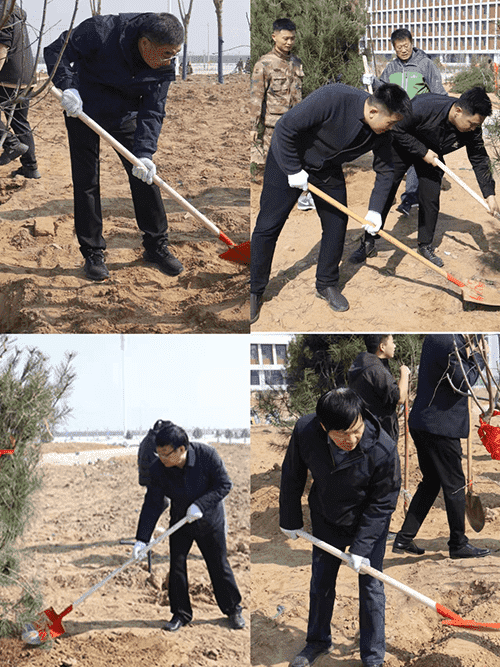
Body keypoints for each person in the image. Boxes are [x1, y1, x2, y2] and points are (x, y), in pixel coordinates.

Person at [250, 82, 412, 323]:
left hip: (326, 168)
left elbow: (387, 169)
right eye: (390, 122)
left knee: (336, 223)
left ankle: (326, 283)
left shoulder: (382, 131)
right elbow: (284, 128)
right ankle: (254, 289)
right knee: (268, 225)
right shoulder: (333, 97)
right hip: (288, 157)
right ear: (374, 112)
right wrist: (294, 170)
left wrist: (376, 211)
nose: (392, 128)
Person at [44, 13, 185, 282]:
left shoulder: (164, 66)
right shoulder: (100, 30)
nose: (171, 60)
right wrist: (67, 87)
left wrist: (145, 152)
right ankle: (93, 252)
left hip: (125, 114)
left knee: (144, 175)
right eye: (167, 53)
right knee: (86, 180)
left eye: (175, 54)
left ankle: (156, 246)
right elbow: (56, 51)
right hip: (82, 108)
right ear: (145, 44)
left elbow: (153, 110)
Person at [280, 388, 401, 667]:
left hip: (367, 523)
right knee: (321, 582)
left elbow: (383, 503)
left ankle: (372, 656)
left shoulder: (383, 448)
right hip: (326, 517)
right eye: (341, 435)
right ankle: (318, 641)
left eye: (356, 430)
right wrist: (290, 519)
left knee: (371, 586)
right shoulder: (305, 432)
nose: (352, 439)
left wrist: (361, 547)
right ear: (324, 427)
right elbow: (292, 474)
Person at [350, 86, 499, 268]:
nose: (474, 129)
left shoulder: (472, 129)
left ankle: (425, 245)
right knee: (386, 191)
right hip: (402, 147)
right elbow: (396, 128)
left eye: (477, 125)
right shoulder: (423, 106)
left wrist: (489, 195)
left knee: (430, 196)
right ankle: (368, 242)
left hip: (433, 156)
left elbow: (479, 158)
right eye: (471, 124)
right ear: (458, 111)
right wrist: (421, 151)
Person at [133, 422, 245, 631]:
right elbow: (153, 502)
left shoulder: (207, 455)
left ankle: (233, 609)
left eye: (166, 454)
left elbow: (224, 484)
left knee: (218, 565)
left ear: (181, 449)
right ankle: (180, 614)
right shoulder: (159, 469)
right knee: (177, 566)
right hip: (180, 521)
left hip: (210, 520)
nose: (162, 459)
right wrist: (142, 539)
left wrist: (201, 504)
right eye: (159, 454)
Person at [392, 334, 491, 560]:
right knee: (455, 484)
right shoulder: (450, 342)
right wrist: (478, 356)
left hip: (424, 422)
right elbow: (463, 382)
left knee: (431, 483)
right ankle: (458, 543)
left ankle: (404, 538)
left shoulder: (437, 337)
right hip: (439, 426)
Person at [361, 28, 446, 221]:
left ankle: (408, 199)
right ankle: (387, 198)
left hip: (419, 123)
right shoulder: (391, 68)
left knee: (418, 156)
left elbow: (439, 93)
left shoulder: (425, 65)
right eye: (399, 48)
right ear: (394, 48)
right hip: (397, 124)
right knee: (395, 161)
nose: (403, 50)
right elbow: (382, 91)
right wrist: (372, 81)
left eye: (406, 46)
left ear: (412, 43)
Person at [250, 18, 314, 211]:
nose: (289, 42)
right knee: (274, 166)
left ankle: (302, 198)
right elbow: (256, 98)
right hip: (274, 125)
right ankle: (270, 204)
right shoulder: (264, 64)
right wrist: (254, 127)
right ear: (274, 37)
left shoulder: (296, 62)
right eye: (285, 38)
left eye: (292, 38)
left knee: (300, 161)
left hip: (297, 124)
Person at [0, 3, 40, 178]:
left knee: (18, 124)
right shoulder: (14, 9)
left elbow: (2, 46)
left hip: (9, 77)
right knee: (20, 122)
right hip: (26, 76)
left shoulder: (2, 10)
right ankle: (31, 168)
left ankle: (10, 143)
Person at [348, 334, 410, 443]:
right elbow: (399, 398)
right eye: (392, 342)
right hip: (380, 434)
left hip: (367, 431)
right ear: (382, 347)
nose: (395, 346)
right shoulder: (375, 369)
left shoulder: (363, 364)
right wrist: (404, 373)